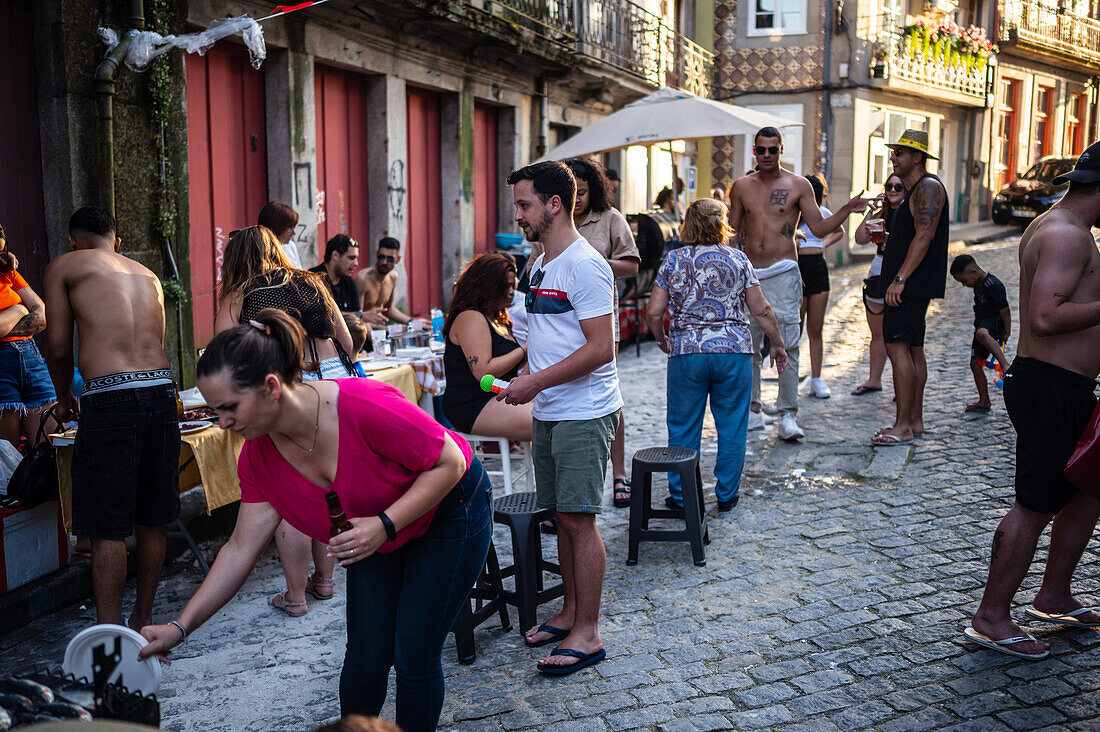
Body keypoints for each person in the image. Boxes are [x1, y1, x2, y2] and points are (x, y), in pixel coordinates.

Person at [138, 308, 492, 731]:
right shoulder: (257, 457)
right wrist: (181, 626)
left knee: (414, 652)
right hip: (375, 530)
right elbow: (239, 549)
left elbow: (449, 462)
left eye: (229, 408)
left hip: (451, 508)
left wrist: (383, 525)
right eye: (216, 411)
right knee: (365, 656)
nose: (223, 423)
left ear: (271, 386)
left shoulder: (362, 404)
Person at [967, 140, 1100, 660]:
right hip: (1051, 385)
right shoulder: (1068, 235)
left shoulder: (1057, 224)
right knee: (1035, 504)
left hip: (1062, 384)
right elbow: (1046, 317)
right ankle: (991, 616)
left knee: (1087, 490)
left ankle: (1054, 594)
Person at [498, 161, 620, 675]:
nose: (518, 214)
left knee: (579, 520)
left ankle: (588, 633)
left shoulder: (585, 265)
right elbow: (542, 337)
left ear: (553, 204)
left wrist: (535, 382)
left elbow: (603, 348)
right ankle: (570, 612)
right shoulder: (540, 262)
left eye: (524, 204)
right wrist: (513, 367)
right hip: (550, 409)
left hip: (582, 410)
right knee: (561, 518)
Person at [43, 206, 177, 629]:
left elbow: (60, 346)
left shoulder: (65, 265)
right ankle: (144, 619)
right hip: (160, 390)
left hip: (110, 396)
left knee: (106, 526)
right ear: (117, 242)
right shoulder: (148, 275)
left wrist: (64, 399)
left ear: (72, 239)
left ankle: (109, 636)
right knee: (153, 515)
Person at [215, 225, 357, 617]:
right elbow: (347, 340)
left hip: (286, 384)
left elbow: (223, 356)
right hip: (333, 380)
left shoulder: (238, 293)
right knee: (329, 481)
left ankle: (296, 595)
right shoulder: (311, 280)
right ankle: (326, 581)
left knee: (289, 489)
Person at [728, 126, 869, 441]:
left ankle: (787, 415)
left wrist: (846, 209)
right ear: (754, 151)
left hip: (784, 271)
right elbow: (731, 231)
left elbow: (818, 226)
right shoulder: (741, 187)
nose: (766, 155)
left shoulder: (798, 185)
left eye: (772, 150)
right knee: (747, 346)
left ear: (781, 150)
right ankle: (752, 409)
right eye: (761, 150)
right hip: (750, 274)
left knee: (787, 343)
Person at [646, 199, 788, 511]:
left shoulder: (673, 260)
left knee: (683, 426)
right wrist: (777, 343)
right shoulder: (739, 260)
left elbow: (654, 312)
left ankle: (682, 496)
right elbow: (761, 309)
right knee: (732, 425)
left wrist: (661, 338)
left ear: (688, 225)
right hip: (734, 351)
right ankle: (727, 495)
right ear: (721, 225)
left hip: (687, 352)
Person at [527, 158, 639, 508]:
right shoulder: (542, 243)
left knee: (608, 389)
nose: (578, 199)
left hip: (597, 312)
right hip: (552, 394)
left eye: (583, 192)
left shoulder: (608, 221)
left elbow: (632, 264)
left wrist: (588, 268)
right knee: (564, 514)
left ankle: (618, 472)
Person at [873, 129, 949, 447]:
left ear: (916, 157)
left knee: (898, 348)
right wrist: (888, 243)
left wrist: (899, 278)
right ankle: (914, 421)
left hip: (909, 285)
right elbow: (913, 236)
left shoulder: (927, 187)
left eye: (899, 153)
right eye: (893, 152)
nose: (893, 157)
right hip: (913, 283)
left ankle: (902, 425)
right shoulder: (916, 189)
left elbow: (925, 236)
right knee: (913, 349)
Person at [441, 253, 530, 439]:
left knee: (560, 409)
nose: (512, 291)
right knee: (546, 420)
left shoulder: (498, 318)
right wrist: (525, 350)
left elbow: (514, 367)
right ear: (488, 286)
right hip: (473, 403)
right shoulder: (470, 317)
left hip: (499, 394)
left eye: (513, 285)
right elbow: (484, 373)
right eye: (505, 286)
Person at [0, 224, 55, 448]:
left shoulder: (7, 272)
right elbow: (30, 310)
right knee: (7, 458)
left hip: (31, 360)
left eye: (1, 251)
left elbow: (42, 315)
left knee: (47, 449)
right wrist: (19, 311)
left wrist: (6, 324)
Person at [851, 174, 906, 396]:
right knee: (877, 334)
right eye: (889, 186)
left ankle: (901, 385)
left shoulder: (908, 213)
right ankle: (874, 380)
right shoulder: (881, 213)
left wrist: (889, 238)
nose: (893, 190)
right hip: (877, 273)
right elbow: (859, 239)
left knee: (899, 336)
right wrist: (870, 213)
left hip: (899, 275)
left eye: (898, 187)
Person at [797, 173, 845, 400]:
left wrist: (823, 243)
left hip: (817, 267)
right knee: (794, 328)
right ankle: (790, 378)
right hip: (796, 268)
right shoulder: (794, 216)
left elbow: (840, 230)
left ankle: (816, 379)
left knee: (815, 329)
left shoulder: (822, 213)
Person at [950, 254, 1012, 412]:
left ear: (974, 272)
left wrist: (1007, 331)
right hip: (982, 323)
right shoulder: (977, 284)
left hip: (993, 322)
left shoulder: (993, 284)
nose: (965, 285)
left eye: (964, 281)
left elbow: (1005, 310)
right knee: (975, 363)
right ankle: (984, 400)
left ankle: (1004, 364)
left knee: (982, 334)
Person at [355, 237, 411, 326]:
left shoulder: (393, 277)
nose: (384, 262)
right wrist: (389, 331)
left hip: (381, 330)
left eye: (390, 259)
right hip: (364, 332)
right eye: (381, 257)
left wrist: (411, 322)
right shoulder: (363, 279)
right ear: (377, 254)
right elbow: (357, 318)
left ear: (398, 259)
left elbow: (388, 309)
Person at [311, 234, 361, 314]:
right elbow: (322, 316)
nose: (356, 263)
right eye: (351, 258)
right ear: (335, 255)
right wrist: (360, 315)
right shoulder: (313, 279)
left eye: (356, 258)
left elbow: (357, 316)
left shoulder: (349, 282)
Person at [258, 201, 302, 269]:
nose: (294, 233)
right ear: (278, 227)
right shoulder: (259, 252)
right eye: (290, 228)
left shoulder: (290, 246)